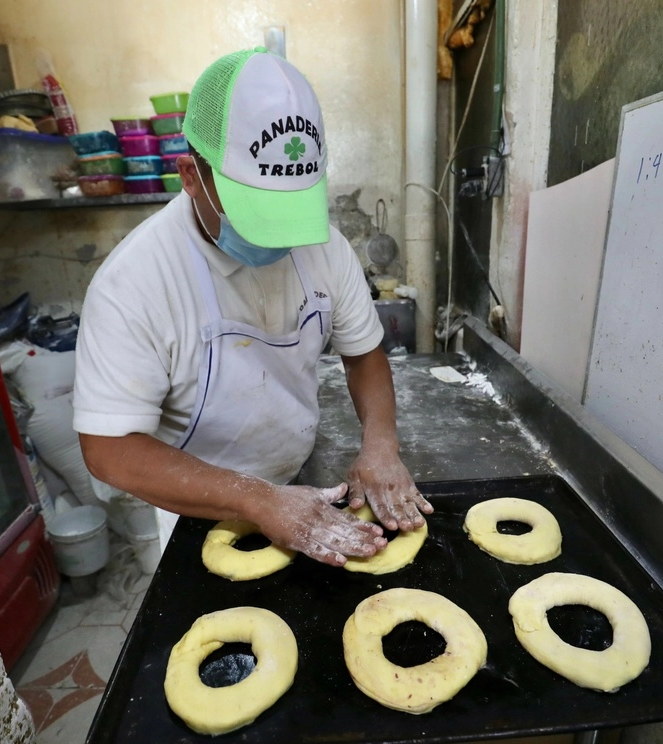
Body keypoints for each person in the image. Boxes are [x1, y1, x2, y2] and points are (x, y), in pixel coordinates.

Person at [73, 47, 431, 567]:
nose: (281, 239)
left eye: (290, 212)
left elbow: (364, 352)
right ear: (191, 175)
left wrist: (380, 443)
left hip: (301, 484)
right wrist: (257, 499)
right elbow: (108, 450)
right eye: (256, 213)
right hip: (190, 505)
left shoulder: (325, 246)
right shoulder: (135, 283)